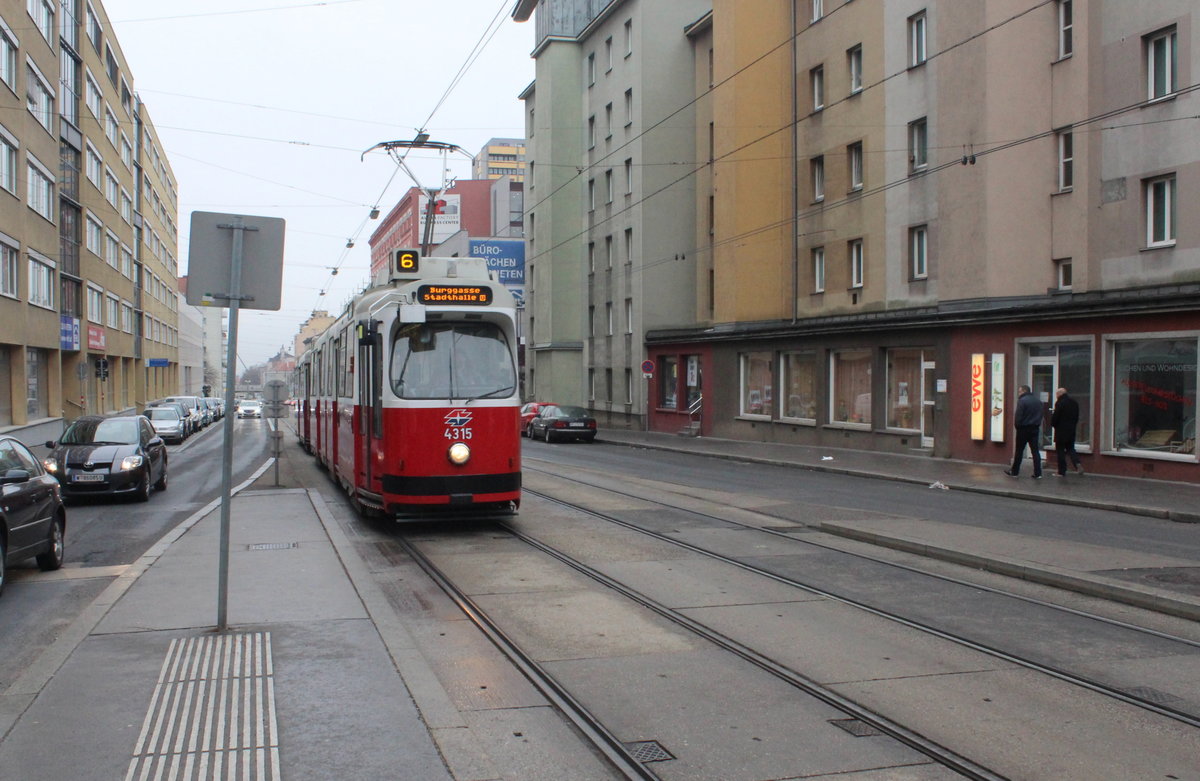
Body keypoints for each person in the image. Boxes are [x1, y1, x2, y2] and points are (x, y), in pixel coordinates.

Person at [1004, 384, 1043, 478]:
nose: (1019, 393)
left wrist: (1017, 427)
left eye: (1019, 391)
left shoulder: (1022, 401)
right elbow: (1041, 415)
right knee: (1035, 451)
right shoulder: (1038, 401)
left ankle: (1014, 471)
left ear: (1024, 391)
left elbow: (1018, 416)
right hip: (1035, 428)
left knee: (1019, 451)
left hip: (1023, 429)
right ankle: (1038, 473)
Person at [1051, 387, 1084, 475]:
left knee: (1060, 451)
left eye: (1057, 394)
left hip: (1061, 431)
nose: (1056, 396)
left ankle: (1061, 471)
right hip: (1071, 430)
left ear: (1060, 394)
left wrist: (1053, 424)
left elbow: (1055, 417)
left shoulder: (1060, 403)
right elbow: (1076, 417)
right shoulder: (1074, 403)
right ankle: (1077, 464)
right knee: (1071, 448)